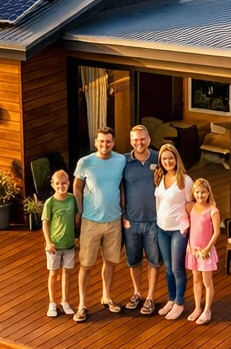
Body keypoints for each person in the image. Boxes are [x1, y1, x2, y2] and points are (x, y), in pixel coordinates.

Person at [73, 126, 127, 323]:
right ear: (95, 142)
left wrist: (124, 211)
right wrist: (80, 211)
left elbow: (122, 185)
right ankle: (82, 305)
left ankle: (106, 296)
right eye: (101, 141)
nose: (105, 144)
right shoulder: (85, 162)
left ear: (113, 142)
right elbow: (77, 188)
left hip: (114, 220)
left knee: (110, 262)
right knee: (86, 265)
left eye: (108, 141)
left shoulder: (121, 160)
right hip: (91, 221)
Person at [122, 124, 162, 315]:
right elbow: (119, 189)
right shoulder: (123, 161)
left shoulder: (159, 158)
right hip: (131, 221)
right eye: (136, 139)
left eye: (143, 139)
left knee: (154, 261)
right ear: (131, 141)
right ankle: (137, 293)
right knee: (134, 260)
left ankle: (150, 297)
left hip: (154, 221)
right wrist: (123, 215)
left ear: (149, 140)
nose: (139, 142)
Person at [153, 142, 193, 321]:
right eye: (164, 159)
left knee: (177, 268)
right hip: (162, 228)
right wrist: (158, 220)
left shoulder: (185, 180)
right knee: (168, 267)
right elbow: (158, 201)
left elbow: (190, 204)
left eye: (171, 158)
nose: (168, 161)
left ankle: (179, 302)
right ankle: (171, 299)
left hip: (178, 229)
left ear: (176, 159)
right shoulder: (160, 176)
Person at [41, 170, 77, 318]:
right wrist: (48, 242)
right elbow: (45, 223)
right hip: (54, 246)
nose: (61, 186)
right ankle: (52, 302)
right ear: (53, 185)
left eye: (63, 183)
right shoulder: (50, 202)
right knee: (53, 273)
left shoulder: (72, 199)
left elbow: (77, 217)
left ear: (68, 183)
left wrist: (78, 235)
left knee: (67, 274)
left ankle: (65, 301)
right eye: (57, 184)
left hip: (69, 245)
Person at [185, 177, 220, 325]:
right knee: (196, 279)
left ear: (208, 193)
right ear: (193, 192)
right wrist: (189, 244)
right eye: (197, 192)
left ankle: (207, 310)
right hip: (193, 250)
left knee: (207, 281)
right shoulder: (191, 207)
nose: (200, 195)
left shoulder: (213, 210)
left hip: (205, 252)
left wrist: (207, 249)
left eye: (203, 192)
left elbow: (216, 232)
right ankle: (197, 307)